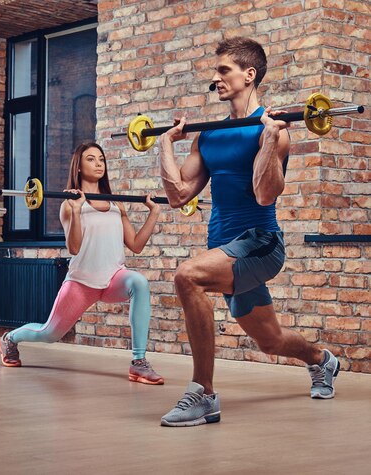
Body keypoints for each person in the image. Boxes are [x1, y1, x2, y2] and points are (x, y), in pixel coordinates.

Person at [157, 37, 340, 426]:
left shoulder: (272, 129)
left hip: (261, 244)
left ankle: (203, 395)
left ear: (249, 74)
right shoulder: (209, 135)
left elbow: (264, 194)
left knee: (187, 276)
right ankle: (322, 360)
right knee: (270, 340)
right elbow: (178, 195)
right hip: (224, 248)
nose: (215, 78)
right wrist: (165, 146)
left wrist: (270, 141)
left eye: (223, 70)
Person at [0, 142, 164, 385]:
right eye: (91, 159)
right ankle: (9, 339)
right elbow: (74, 248)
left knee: (138, 282)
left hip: (113, 278)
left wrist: (154, 214)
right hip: (81, 282)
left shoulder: (117, 204)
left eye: (101, 159)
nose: (98, 164)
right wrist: (76, 211)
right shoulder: (69, 205)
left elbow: (136, 245)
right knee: (49, 333)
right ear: (78, 167)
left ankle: (138, 362)